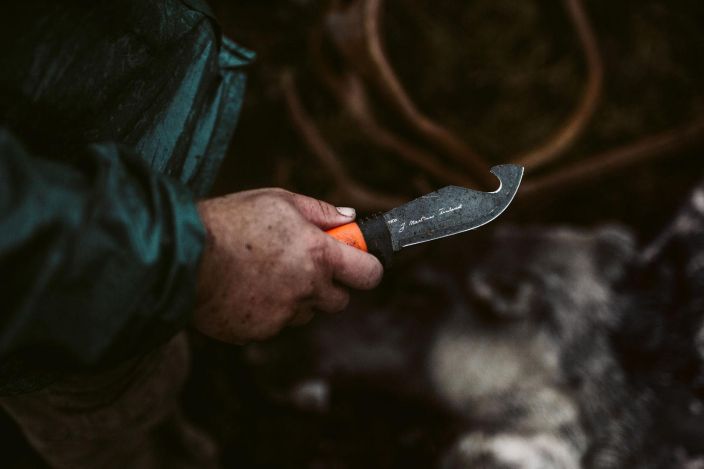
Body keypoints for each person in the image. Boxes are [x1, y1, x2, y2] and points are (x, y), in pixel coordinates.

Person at [0, 1, 383, 467]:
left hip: (134, 219)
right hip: (62, 316)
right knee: (112, 431)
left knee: (150, 384)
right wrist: (203, 257)